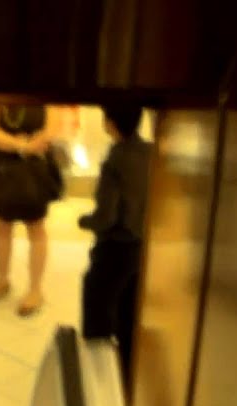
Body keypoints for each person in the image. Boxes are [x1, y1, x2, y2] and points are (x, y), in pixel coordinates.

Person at [79, 104, 151, 390]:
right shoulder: (151, 153)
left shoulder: (115, 159)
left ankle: (98, 378)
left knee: (97, 306)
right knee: (129, 314)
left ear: (110, 123)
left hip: (116, 247)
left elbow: (106, 216)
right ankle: (128, 379)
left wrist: (85, 221)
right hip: (142, 248)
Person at [0, 104, 60, 316]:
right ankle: (2, 281)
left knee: (36, 227)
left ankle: (35, 289)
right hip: (3, 168)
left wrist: (26, 145)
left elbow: (51, 129)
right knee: (2, 225)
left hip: (35, 169)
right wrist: (23, 145)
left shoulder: (45, 95)